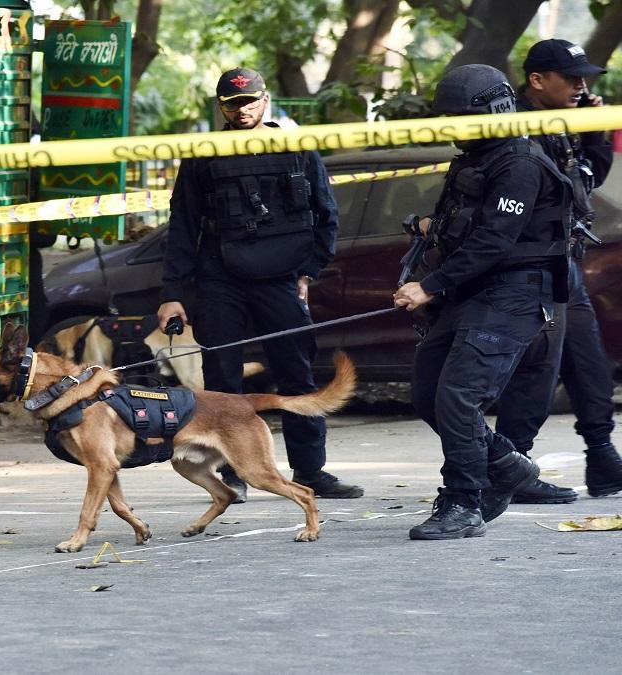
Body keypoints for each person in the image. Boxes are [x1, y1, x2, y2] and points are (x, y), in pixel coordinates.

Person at [156, 67, 363, 502]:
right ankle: (231, 470)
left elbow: (327, 216)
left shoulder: (295, 147)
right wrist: (173, 293)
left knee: (297, 376)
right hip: (220, 278)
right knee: (221, 380)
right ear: (221, 107)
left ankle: (311, 470)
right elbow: (183, 225)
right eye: (233, 103)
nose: (243, 109)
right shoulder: (204, 153)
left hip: (281, 278)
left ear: (265, 100)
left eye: (250, 100)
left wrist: (309, 272)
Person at [394, 64, 572, 540]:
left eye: (460, 117)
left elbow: (495, 240)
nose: (452, 127)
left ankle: (463, 502)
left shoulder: (520, 163)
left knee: (457, 397)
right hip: (471, 293)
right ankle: (506, 465)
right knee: (428, 394)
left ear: (493, 112)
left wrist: (428, 287)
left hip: (514, 293)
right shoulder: (474, 157)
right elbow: (461, 227)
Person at [493, 39, 622, 503]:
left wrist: (596, 131)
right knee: (536, 375)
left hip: (564, 263)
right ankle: (514, 467)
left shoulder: (562, 122)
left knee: (589, 367)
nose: (582, 86)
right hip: (527, 269)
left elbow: (586, 181)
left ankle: (603, 456)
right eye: (572, 78)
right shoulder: (513, 128)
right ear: (537, 80)